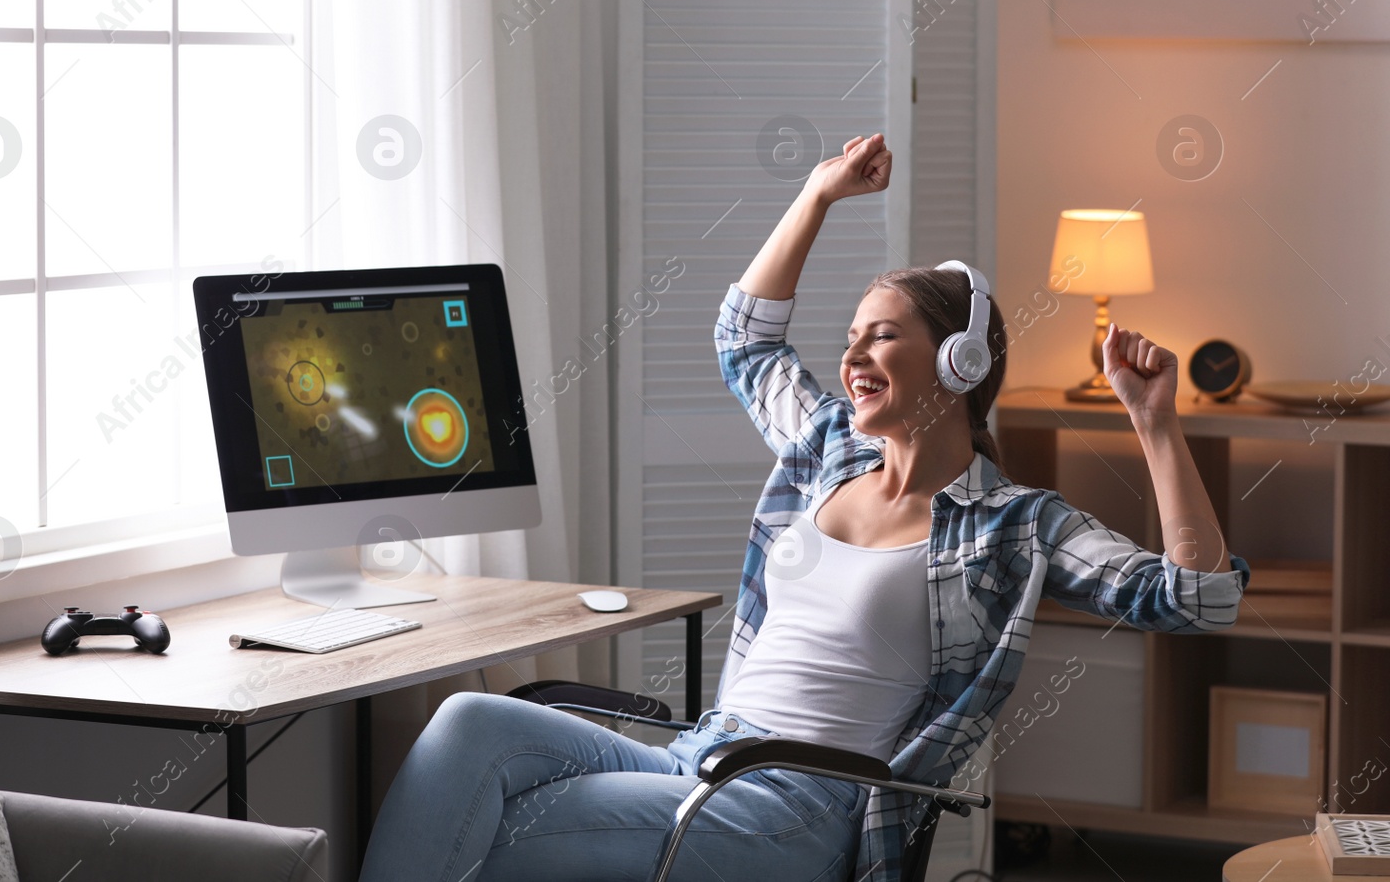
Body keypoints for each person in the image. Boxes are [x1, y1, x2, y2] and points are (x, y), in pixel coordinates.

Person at [357, 134, 1251, 882]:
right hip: (702, 754)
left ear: (960, 364)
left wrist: (1155, 422)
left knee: (503, 831)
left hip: (798, 802)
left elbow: (1196, 597)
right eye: (852, 335)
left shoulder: (1012, 524)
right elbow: (743, 339)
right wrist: (819, 194)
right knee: (472, 723)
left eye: (884, 334)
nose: (855, 354)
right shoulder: (829, 450)